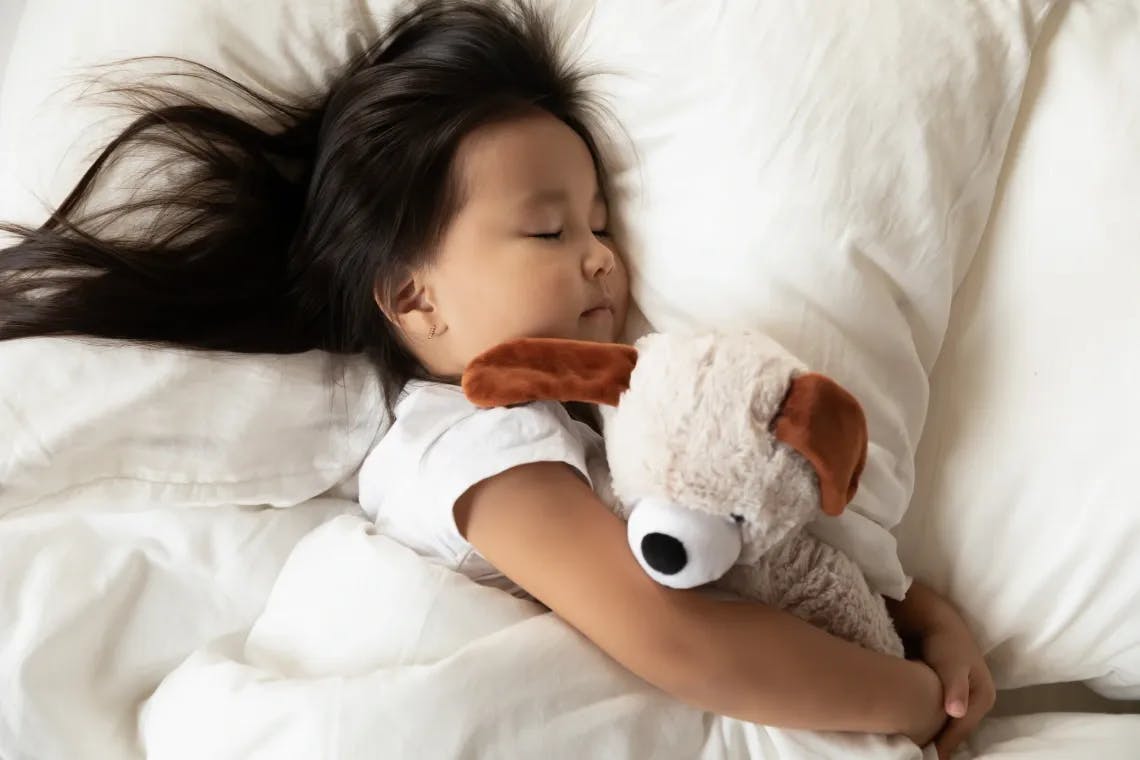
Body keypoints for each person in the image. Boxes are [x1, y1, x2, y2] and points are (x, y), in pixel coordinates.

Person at [0, 1, 993, 755]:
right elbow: (676, 637)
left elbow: (750, 555)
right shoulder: (477, 443)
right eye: (549, 229)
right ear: (415, 300)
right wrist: (905, 699)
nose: (602, 256)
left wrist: (927, 624)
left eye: (603, 224)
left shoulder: (609, 432)